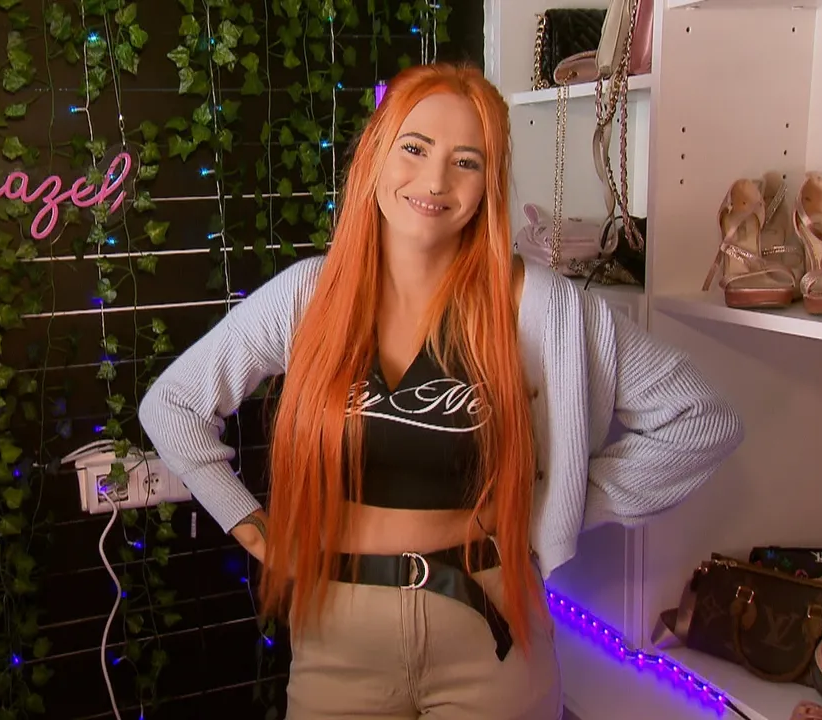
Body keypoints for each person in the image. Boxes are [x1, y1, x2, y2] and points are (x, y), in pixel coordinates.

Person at [138, 62, 744, 720]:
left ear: (489, 184)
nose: (434, 181)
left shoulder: (540, 307)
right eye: (415, 148)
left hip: (491, 632)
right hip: (338, 635)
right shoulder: (310, 295)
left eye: (466, 162)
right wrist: (252, 528)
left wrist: (559, 501)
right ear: (375, 155)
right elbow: (173, 405)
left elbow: (702, 420)